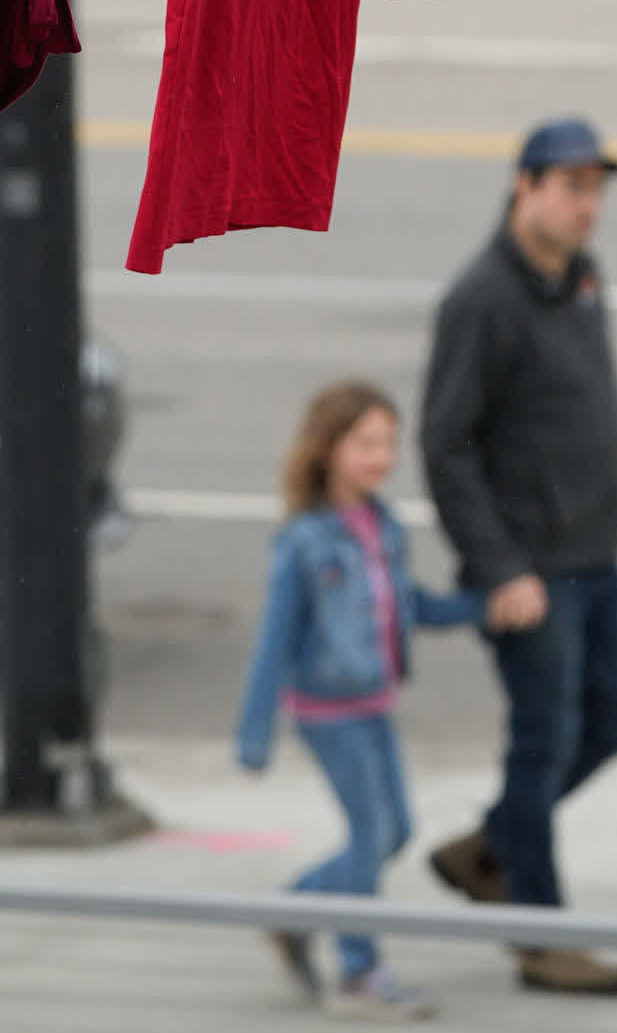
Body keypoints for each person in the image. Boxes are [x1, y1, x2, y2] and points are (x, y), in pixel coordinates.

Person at [419, 117, 617, 999]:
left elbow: (605, 407)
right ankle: (539, 935)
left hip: (594, 555)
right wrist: (500, 570)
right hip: (530, 574)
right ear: (523, 187)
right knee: (543, 744)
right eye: (571, 187)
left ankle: (493, 843)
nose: (587, 206)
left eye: (596, 190)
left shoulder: (580, 278)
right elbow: (445, 446)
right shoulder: (481, 300)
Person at [237, 381, 481, 1022]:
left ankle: (293, 911)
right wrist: (254, 732)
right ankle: (360, 970)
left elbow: (411, 604)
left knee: (394, 831)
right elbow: (274, 640)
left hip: (375, 704)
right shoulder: (304, 541)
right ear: (327, 449)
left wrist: (480, 606)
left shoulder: (383, 524)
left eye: (388, 443)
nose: (381, 457)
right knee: (371, 834)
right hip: (327, 714)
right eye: (365, 443)